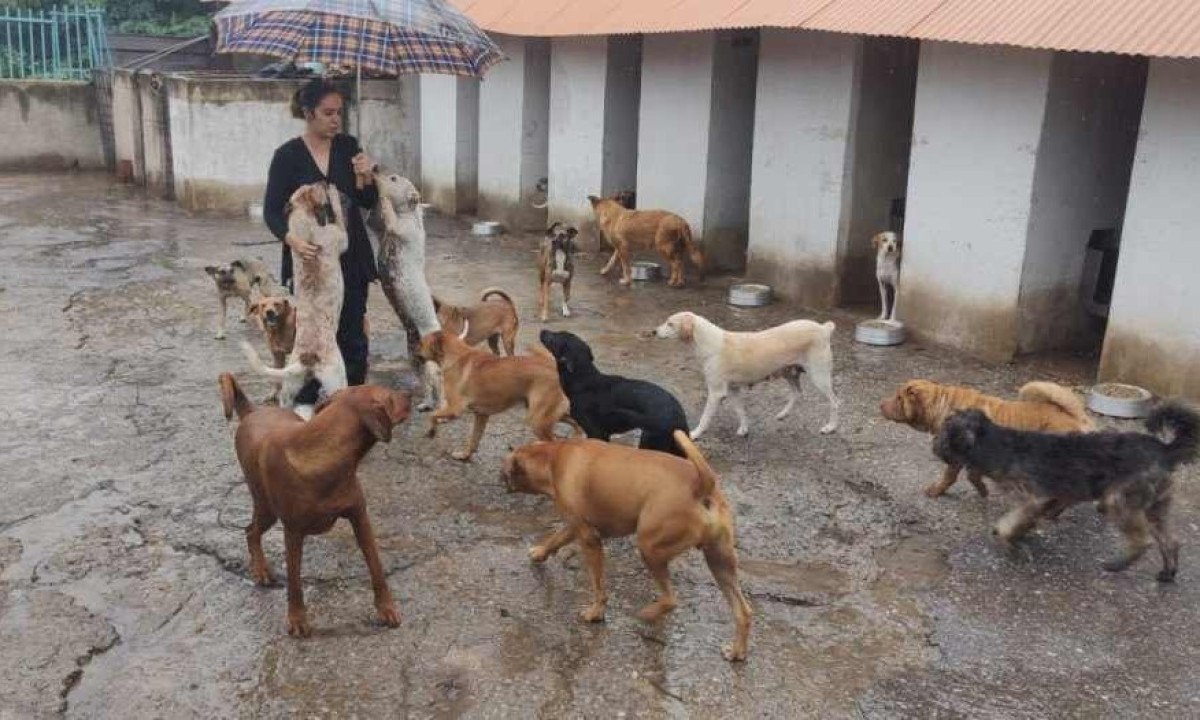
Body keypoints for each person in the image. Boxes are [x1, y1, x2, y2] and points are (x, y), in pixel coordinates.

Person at [263, 78, 377, 403]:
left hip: (350, 257)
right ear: (308, 112)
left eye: (339, 112)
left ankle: (350, 406)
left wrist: (365, 175)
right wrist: (291, 241)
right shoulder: (287, 156)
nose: (335, 119)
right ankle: (307, 407)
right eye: (328, 112)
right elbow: (271, 211)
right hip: (310, 261)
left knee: (352, 332)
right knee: (313, 335)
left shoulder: (348, 147)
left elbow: (366, 200)